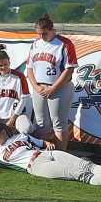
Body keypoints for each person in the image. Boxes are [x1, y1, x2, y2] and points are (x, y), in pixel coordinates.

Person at [0, 121, 101, 190]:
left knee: (85, 165)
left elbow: (40, 143)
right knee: (79, 174)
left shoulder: (20, 136)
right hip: (36, 166)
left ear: (3, 132)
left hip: (46, 154)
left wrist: (47, 143)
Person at [26, 14, 78, 151]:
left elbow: (69, 70)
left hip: (59, 88)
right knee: (41, 123)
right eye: (38, 33)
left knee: (58, 123)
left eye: (44, 33)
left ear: (52, 30)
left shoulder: (64, 44)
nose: (41, 36)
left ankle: (61, 154)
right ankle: (45, 152)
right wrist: (35, 86)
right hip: (39, 87)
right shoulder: (35, 44)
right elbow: (30, 68)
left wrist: (53, 88)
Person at [0, 45, 30, 129]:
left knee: (26, 127)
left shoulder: (19, 76)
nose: (3, 67)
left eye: (5, 64)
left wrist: (12, 119)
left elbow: (24, 98)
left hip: (17, 116)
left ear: (9, 61)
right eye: (0, 65)